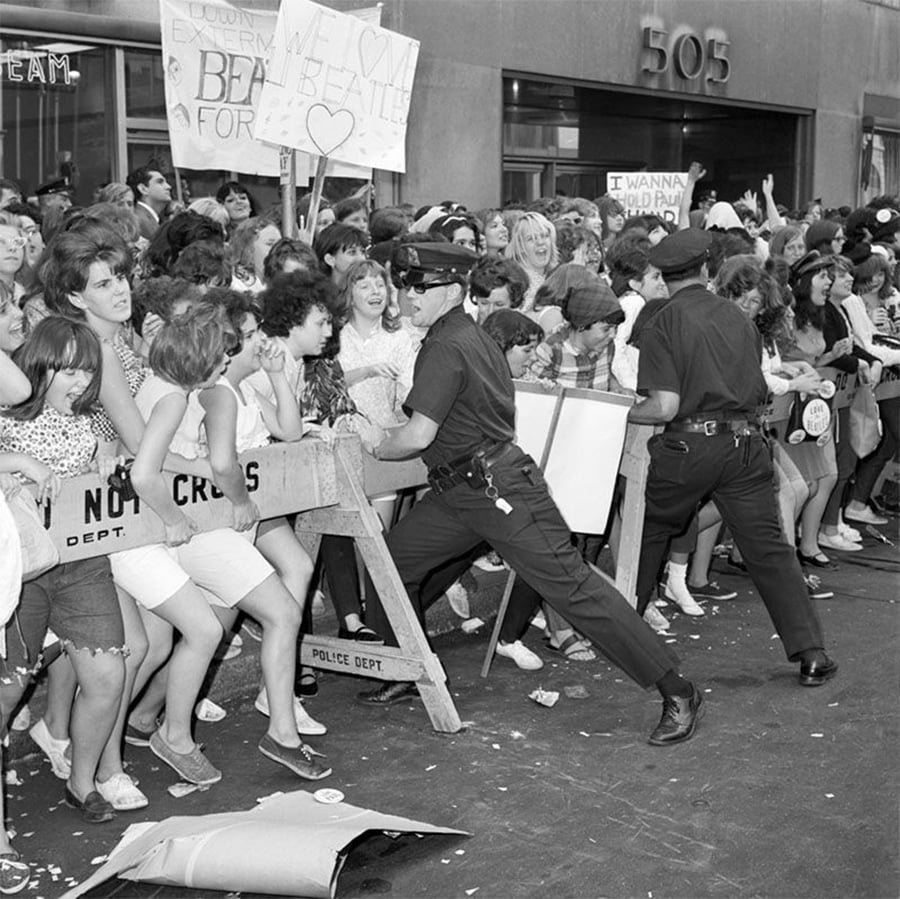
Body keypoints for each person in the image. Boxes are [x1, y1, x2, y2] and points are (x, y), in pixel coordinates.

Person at [358, 242, 703, 747]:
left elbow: (416, 437)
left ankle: (679, 690)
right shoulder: (467, 336)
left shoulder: (449, 343)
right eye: (405, 285)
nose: (407, 295)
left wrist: (370, 441)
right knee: (395, 565)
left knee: (573, 588)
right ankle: (405, 669)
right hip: (467, 489)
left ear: (450, 291)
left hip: (494, 488)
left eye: (418, 287)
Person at [629, 228, 838, 687]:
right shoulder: (738, 317)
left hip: (689, 444)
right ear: (705, 271)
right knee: (769, 548)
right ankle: (811, 653)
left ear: (664, 278)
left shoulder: (662, 320)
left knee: (647, 535)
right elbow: (759, 387)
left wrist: (626, 411)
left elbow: (662, 406)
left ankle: (625, 637)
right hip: (745, 444)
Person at [126, 167, 172, 241]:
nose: (168, 187)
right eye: (160, 182)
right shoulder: (138, 220)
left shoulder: (147, 218)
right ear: (143, 189)